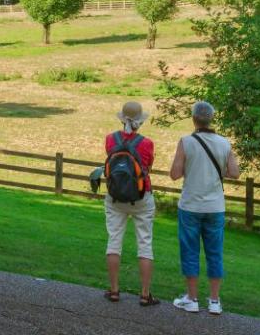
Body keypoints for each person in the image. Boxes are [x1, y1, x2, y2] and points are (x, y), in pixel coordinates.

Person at [168, 101, 241, 315]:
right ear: (212, 119)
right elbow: (235, 173)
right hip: (215, 206)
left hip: (191, 205)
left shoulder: (186, 142)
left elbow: (174, 174)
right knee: (214, 253)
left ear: (193, 119)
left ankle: (191, 298)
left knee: (190, 251)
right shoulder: (224, 143)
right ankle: (215, 301)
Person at [102, 101, 159, 306]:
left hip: (115, 197)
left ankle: (115, 290)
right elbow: (148, 167)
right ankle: (145, 294)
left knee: (114, 241)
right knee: (145, 243)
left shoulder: (110, 139)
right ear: (140, 121)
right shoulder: (147, 143)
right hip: (141, 197)